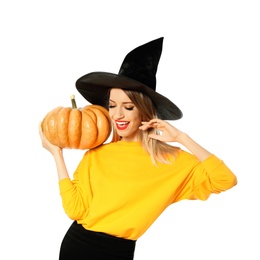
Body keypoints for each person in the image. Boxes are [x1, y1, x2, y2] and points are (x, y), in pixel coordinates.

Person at [39, 37, 237, 260]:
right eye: (112, 106)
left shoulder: (172, 160)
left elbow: (225, 180)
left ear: (143, 110)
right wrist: (57, 155)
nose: (118, 115)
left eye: (128, 107)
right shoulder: (97, 154)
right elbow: (75, 210)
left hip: (120, 252)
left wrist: (182, 138)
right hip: (78, 246)